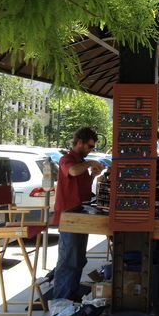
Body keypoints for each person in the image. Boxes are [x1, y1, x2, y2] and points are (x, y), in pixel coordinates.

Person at [52, 127, 105, 300]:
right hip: (69, 217)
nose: (91, 150)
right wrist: (90, 163)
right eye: (90, 146)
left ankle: (71, 296)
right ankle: (61, 301)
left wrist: (93, 175)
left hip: (79, 215)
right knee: (68, 261)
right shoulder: (67, 159)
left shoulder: (81, 162)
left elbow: (82, 190)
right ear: (80, 142)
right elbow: (72, 171)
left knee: (78, 259)